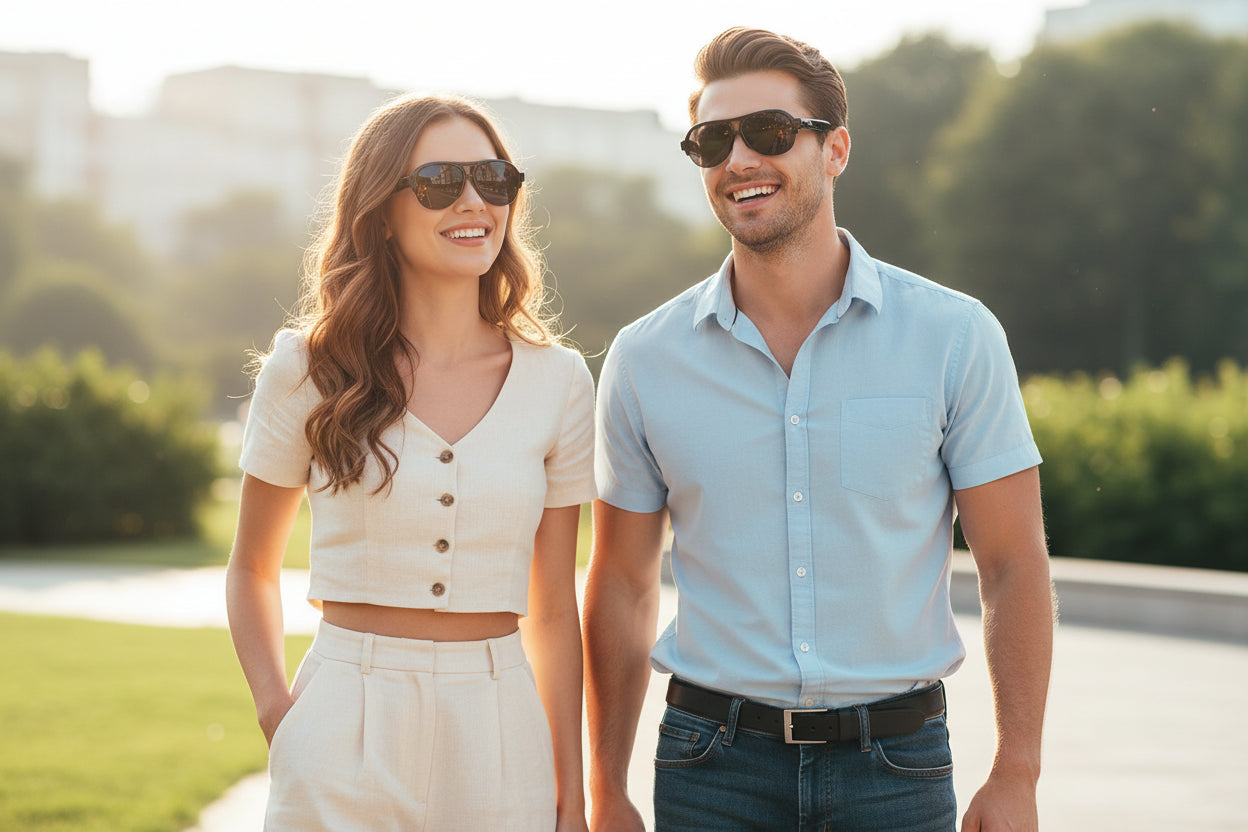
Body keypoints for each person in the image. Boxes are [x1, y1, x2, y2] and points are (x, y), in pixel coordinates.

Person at [584, 27, 1053, 832]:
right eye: (712, 141)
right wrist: (606, 789)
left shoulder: (954, 337)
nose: (738, 159)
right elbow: (622, 584)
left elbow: (1013, 564)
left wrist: (1018, 772)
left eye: (769, 132)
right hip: (710, 771)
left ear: (835, 150)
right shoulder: (643, 359)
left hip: (896, 769)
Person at [226, 93, 595, 831]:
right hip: (342, 721)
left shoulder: (559, 381)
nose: (473, 201)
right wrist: (280, 716)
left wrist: (571, 791)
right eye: (439, 182)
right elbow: (252, 567)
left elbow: (555, 607)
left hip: (500, 730)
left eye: (493, 179)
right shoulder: (309, 368)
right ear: (382, 212)